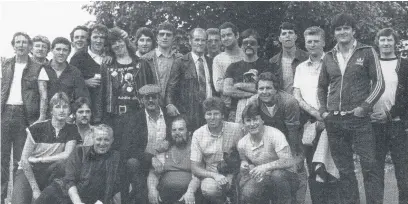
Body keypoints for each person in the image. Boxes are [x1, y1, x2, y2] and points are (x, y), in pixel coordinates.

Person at [317, 13, 385, 204]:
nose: (342, 32)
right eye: (338, 29)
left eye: (346, 28)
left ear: (353, 31)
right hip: (335, 120)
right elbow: (321, 86)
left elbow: (379, 83)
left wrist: (364, 107)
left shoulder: (367, 51)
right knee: (345, 169)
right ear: (334, 33)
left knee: (369, 166)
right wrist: (323, 110)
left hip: (359, 120)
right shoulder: (329, 56)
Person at [293, 26, 339, 203]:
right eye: (309, 42)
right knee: (314, 167)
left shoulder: (333, 62)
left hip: (332, 120)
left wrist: (325, 114)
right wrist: (314, 113)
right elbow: (297, 95)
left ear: (324, 42)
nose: (312, 45)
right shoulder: (301, 68)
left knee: (332, 168)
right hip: (310, 123)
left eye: (316, 41)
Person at [1, 32, 49, 202]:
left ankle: (16, 199)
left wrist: (41, 119)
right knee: (1, 159)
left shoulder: (37, 68)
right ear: (13, 45)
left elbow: (43, 95)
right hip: (4, 113)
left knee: (20, 161)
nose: (20, 45)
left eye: (24, 42)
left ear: (29, 47)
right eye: (17, 42)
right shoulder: (5, 64)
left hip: (25, 116)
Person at [247, 72, 306, 203]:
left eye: (268, 88)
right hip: (268, 147)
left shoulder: (288, 102)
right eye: (261, 88)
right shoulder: (253, 102)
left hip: (290, 145)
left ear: (276, 89)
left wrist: (292, 159)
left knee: (288, 178)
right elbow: (250, 129)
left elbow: (293, 133)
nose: (264, 92)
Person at [11, 92, 78, 204]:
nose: (62, 110)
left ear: (69, 111)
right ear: (51, 111)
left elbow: (66, 154)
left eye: (65, 107)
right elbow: (24, 160)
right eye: (57, 107)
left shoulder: (72, 129)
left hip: (51, 171)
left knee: (62, 166)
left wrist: (41, 159)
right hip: (28, 170)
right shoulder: (37, 128)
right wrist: (35, 188)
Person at [34, 124, 122, 204]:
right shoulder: (79, 152)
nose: (102, 143)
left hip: (90, 199)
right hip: (66, 193)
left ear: (112, 140)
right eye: (99, 139)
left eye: (106, 140)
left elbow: (114, 187)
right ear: (93, 138)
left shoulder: (115, 158)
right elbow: (69, 181)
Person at [371, 28, 408, 204]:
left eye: (389, 40)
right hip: (373, 124)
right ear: (377, 42)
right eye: (382, 40)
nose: (386, 43)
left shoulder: (404, 64)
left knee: (403, 172)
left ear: (395, 42)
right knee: (374, 172)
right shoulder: (370, 63)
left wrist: (390, 114)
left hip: (397, 125)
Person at [101, 28, 154, 149]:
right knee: (116, 150)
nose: (117, 45)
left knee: (136, 150)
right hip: (114, 116)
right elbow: (103, 92)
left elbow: (150, 88)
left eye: (119, 41)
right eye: (113, 43)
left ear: (126, 42)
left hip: (138, 115)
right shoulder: (107, 65)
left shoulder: (142, 63)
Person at [237, 103, 298, 204]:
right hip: (263, 177)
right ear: (243, 123)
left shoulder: (275, 134)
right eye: (248, 120)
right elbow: (244, 160)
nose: (252, 124)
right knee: (248, 192)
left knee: (277, 175)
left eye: (255, 119)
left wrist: (264, 167)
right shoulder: (242, 143)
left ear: (262, 120)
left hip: (287, 177)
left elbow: (288, 161)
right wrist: (244, 165)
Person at [120, 84, 169, 204]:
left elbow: (179, 133)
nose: (151, 100)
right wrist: (150, 158)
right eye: (147, 98)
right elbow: (127, 148)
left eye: (154, 97)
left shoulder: (168, 116)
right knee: (132, 163)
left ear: (159, 98)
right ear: (142, 100)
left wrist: (169, 141)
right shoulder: (135, 118)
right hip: (144, 163)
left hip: (167, 161)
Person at [191, 97, 243, 204]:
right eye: (209, 114)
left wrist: (235, 173)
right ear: (204, 116)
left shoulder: (236, 129)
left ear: (222, 115)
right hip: (212, 174)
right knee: (209, 189)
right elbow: (195, 167)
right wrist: (214, 175)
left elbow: (244, 155)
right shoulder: (198, 134)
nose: (212, 117)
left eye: (216, 114)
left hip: (234, 173)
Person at [166, 28, 214, 131]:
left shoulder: (211, 62)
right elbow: (171, 86)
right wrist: (169, 104)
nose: (200, 43)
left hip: (209, 111)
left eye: (203, 40)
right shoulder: (181, 62)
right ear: (190, 41)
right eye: (197, 40)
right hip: (189, 112)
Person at [147, 116, 201, 204]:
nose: (177, 133)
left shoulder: (195, 149)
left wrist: (190, 192)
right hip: (164, 196)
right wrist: (152, 189)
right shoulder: (165, 148)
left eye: (181, 129)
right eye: (174, 130)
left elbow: (198, 176)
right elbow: (153, 173)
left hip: (186, 196)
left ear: (189, 132)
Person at [223, 28, 271, 123]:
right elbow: (227, 90)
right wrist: (253, 93)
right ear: (241, 46)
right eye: (245, 43)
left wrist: (238, 85)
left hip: (261, 110)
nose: (248, 45)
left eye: (252, 43)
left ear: (258, 46)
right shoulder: (233, 67)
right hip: (235, 111)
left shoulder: (267, 66)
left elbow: (268, 88)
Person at [70, 24, 110, 123]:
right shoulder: (79, 57)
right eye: (95, 37)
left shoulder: (109, 57)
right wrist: (85, 82)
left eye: (102, 37)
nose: (99, 40)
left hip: (107, 108)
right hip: (87, 109)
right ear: (89, 38)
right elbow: (70, 80)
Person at [141, 22, 182, 105]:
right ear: (157, 37)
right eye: (162, 34)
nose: (165, 37)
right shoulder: (146, 59)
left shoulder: (180, 59)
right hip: (151, 105)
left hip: (173, 106)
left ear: (173, 38)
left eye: (168, 35)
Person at [43, 37, 90, 105]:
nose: (61, 53)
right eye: (58, 49)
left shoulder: (75, 72)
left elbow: (81, 98)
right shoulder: (43, 70)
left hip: (68, 113)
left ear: (69, 52)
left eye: (65, 50)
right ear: (52, 50)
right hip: (46, 114)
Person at [212, 22, 245, 118]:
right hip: (228, 109)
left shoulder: (246, 55)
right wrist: (246, 91)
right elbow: (219, 87)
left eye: (229, 35)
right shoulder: (218, 59)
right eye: (223, 36)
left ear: (237, 35)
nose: (226, 38)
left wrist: (232, 86)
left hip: (249, 105)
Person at [269, 22, 308, 94]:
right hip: (282, 102)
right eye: (284, 34)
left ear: (295, 37)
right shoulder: (273, 61)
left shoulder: (307, 57)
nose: (287, 36)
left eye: (290, 33)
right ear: (280, 39)